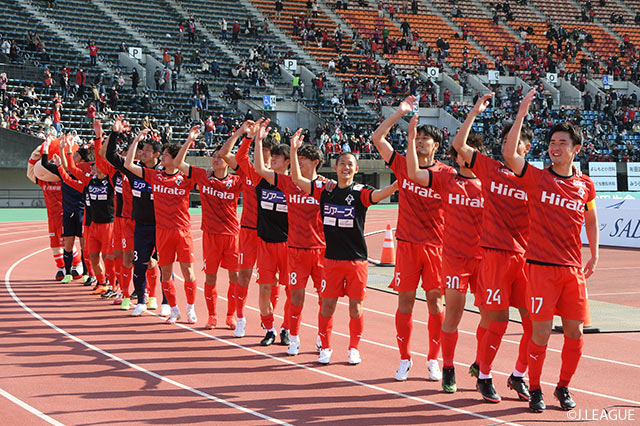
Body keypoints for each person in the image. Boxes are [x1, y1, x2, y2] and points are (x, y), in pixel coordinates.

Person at [503, 89, 599, 412]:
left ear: (576, 149)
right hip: (540, 268)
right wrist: (521, 114)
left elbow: (591, 219)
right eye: (552, 142)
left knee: (575, 332)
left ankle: (563, 386)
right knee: (541, 332)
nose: (555, 147)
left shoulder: (585, 185)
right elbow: (509, 154)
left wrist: (595, 253)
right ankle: (534, 388)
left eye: (562, 143)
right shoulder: (537, 178)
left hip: (572, 269)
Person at [452, 93, 533, 404]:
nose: (508, 146)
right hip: (495, 255)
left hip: (525, 259)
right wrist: (474, 112)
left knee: (534, 323)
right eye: (505, 141)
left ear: (526, 148)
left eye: (515, 142)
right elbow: (460, 145)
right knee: (497, 321)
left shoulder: (535, 179)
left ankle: (519, 374)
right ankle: (484, 375)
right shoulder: (489, 168)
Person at [290, 138, 398, 365]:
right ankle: (326, 347)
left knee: (355, 307)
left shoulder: (360, 193)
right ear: (335, 167)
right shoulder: (325, 191)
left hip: (356, 261)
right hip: (331, 260)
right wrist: (293, 150)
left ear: (356, 169)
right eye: (342, 164)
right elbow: (297, 179)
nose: (346, 167)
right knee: (327, 305)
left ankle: (354, 348)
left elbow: (378, 194)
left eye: (350, 164)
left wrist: (396, 186)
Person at [371, 96, 453, 381]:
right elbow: (377, 138)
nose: (419, 143)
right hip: (406, 246)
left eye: (424, 139)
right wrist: (400, 113)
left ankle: (433, 359)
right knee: (404, 303)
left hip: (436, 247)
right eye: (416, 138)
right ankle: (405, 358)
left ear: (436, 145)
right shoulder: (403, 165)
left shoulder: (446, 173)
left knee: (435, 304)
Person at [405, 113, 486, 393]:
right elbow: (414, 174)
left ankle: (481, 364)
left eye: (470, 152)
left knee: (490, 317)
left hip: (484, 260)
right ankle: (448, 368)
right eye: (461, 152)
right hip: (454, 259)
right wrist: (411, 138)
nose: (465, 156)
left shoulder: (489, 183)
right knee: (452, 314)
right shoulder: (446, 178)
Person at [254, 128, 327, 356]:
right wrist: (258, 141)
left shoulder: (326, 186)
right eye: (298, 158)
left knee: (324, 298)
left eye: (303, 159)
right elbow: (260, 169)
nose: (299, 162)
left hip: (317, 250)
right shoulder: (287, 182)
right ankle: (276, 330)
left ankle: (320, 337)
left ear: (315, 163)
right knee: (288, 293)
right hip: (288, 247)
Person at [124, 126, 200, 324]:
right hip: (162, 232)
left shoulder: (186, 179)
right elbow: (128, 164)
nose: (163, 157)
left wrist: (189, 141)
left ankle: (190, 308)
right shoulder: (154, 175)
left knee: (188, 272)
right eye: (163, 154)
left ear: (174, 159)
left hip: (182, 232)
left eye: (166, 155)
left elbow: (183, 163)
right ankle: (174, 309)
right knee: (165, 272)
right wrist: (136, 140)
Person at [172, 131, 243, 330]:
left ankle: (230, 315)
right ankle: (212, 316)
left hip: (231, 235)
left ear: (228, 162)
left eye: (220, 157)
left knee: (235, 278)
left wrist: (239, 134)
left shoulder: (236, 181)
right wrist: (189, 140)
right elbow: (178, 163)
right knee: (210, 277)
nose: (215, 159)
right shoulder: (203, 176)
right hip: (211, 236)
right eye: (213, 156)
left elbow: (253, 173)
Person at [235, 119, 292, 346]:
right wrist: (252, 139)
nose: (272, 159)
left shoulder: (295, 182)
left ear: (287, 161)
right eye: (271, 156)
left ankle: (287, 327)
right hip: (263, 240)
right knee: (263, 287)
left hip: (289, 244)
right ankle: (267, 328)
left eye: (276, 156)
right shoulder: (260, 178)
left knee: (291, 289)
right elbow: (241, 159)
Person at [105, 118, 164, 315]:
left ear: (156, 155)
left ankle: (154, 296)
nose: (142, 152)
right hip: (136, 223)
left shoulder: (162, 173)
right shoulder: (133, 171)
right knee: (132, 259)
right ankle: (132, 297)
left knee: (156, 262)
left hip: (159, 224)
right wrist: (115, 133)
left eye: (146, 150)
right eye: (141, 149)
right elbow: (110, 156)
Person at [219, 121, 272, 337]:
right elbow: (225, 154)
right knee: (244, 276)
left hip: (272, 234)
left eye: (267, 154)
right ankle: (240, 318)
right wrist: (244, 134)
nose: (263, 157)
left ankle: (267, 320)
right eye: (260, 152)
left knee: (271, 281)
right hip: (249, 231)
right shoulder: (247, 170)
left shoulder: (279, 177)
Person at [52, 138, 116, 295]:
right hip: (92, 224)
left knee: (108, 257)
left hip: (108, 224)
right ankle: (101, 282)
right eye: (92, 165)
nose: (92, 167)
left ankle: (113, 285)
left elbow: (103, 157)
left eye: (95, 165)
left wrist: (100, 138)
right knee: (92, 255)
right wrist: (63, 158)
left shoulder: (111, 181)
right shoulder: (88, 181)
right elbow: (70, 174)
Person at [40, 136, 93, 284]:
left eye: (76, 154)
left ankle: (87, 273)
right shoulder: (63, 172)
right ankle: (68, 273)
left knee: (84, 245)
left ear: (82, 160)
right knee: (67, 244)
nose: (73, 155)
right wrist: (47, 146)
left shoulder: (86, 173)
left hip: (82, 212)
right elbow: (45, 163)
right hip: (68, 213)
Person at [27, 145, 83, 280]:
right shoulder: (42, 182)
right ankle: (60, 267)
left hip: (66, 215)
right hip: (52, 217)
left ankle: (77, 264)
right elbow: (30, 173)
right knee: (54, 244)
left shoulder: (64, 179)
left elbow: (70, 169)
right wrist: (36, 153)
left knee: (67, 243)